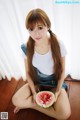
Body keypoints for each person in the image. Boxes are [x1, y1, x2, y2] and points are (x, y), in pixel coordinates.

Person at [12, 8, 71, 120]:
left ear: (48, 26)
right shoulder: (26, 48)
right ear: (28, 31)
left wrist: (58, 91)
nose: (36, 33)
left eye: (40, 28)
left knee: (64, 115)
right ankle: (39, 104)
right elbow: (28, 72)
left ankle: (30, 105)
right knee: (15, 100)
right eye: (31, 29)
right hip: (37, 82)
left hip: (55, 83)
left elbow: (63, 70)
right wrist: (34, 93)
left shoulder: (58, 44)